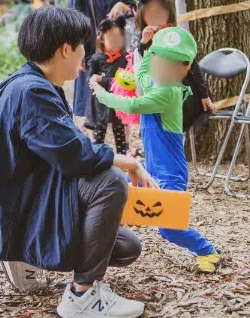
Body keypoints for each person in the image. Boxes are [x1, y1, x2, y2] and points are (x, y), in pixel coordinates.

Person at [0, 7, 154, 317]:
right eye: (82, 47)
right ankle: (82, 296)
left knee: (125, 247)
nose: (84, 55)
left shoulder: (31, 84)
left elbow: (69, 147)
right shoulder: (32, 93)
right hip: (17, 211)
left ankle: (27, 255)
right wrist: (129, 163)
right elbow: (77, 157)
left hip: (26, 198)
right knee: (111, 182)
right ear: (65, 49)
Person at [91, 26, 224, 274]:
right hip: (152, 169)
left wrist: (101, 94)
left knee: (168, 227)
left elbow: (132, 105)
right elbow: (141, 74)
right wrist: (144, 46)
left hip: (170, 173)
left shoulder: (167, 92)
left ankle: (208, 251)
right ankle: (102, 247)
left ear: (185, 70)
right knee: (120, 199)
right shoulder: (155, 82)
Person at [69, 0, 135, 122]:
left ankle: (124, 147)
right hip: (90, 50)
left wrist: (124, 5)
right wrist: (77, 50)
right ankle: (93, 144)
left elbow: (134, 9)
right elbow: (73, 19)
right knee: (90, 98)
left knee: (122, 93)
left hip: (118, 49)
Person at [133, 0, 215, 132]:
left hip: (182, 93)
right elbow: (141, 65)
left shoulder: (176, 35)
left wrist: (204, 95)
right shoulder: (143, 38)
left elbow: (193, 64)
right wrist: (144, 43)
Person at [87, 17, 131, 155]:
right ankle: (98, 157)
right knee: (100, 129)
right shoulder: (96, 59)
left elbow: (129, 78)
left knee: (119, 130)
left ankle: (123, 157)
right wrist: (94, 79)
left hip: (118, 100)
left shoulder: (125, 58)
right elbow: (90, 78)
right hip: (101, 101)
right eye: (110, 37)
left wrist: (106, 79)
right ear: (101, 39)